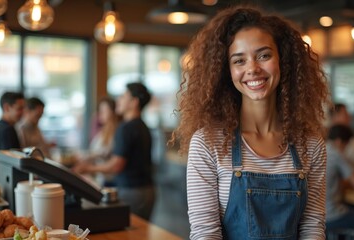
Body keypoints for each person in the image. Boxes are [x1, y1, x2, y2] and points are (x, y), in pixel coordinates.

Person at [169, 4, 329, 239]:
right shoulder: (208, 143)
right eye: (239, 60)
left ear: (282, 61)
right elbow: (205, 233)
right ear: (227, 71)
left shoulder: (311, 145)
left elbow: (312, 227)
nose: (253, 69)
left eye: (264, 55)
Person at [73, 83, 155, 220]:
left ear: (134, 102)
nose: (118, 100)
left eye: (123, 96)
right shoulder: (143, 126)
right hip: (147, 190)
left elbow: (117, 165)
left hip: (132, 191)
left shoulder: (125, 128)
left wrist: (89, 168)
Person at [325, 124, 354, 238]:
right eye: (346, 145)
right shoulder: (336, 153)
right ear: (339, 141)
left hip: (313, 215)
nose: (345, 149)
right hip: (331, 214)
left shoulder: (318, 150)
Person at [74, 96, 120, 187]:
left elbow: (103, 152)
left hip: (111, 180)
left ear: (113, 112)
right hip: (102, 178)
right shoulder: (103, 131)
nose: (100, 113)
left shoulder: (116, 132)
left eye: (104, 110)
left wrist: (85, 160)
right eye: (100, 110)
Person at [0, 91, 25, 184]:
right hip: (3, 186)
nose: (23, 113)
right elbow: (11, 164)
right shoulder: (7, 130)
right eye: (19, 109)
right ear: (6, 107)